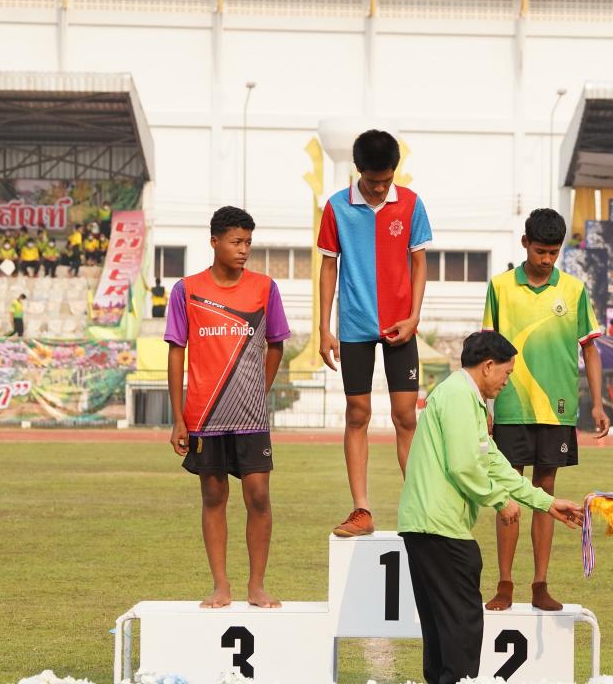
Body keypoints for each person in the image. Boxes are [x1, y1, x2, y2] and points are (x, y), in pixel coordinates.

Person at [397, 331, 583, 684]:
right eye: (506, 373)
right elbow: (464, 466)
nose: (506, 381)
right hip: (438, 526)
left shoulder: (466, 397)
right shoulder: (458, 396)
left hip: (428, 524)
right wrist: (500, 500)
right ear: (487, 366)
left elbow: (494, 462)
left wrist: (546, 502)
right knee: (461, 627)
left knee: (441, 627)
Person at [483, 208, 607, 613]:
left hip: (558, 410)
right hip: (511, 406)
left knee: (545, 493)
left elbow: (590, 349)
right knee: (507, 495)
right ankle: (504, 584)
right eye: (540, 251)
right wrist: (485, 403)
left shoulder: (574, 289)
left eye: (554, 252)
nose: (547, 259)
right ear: (525, 244)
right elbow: (485, 352)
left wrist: (598, 402)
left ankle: (540, 584)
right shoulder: (500, 287)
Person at [166, 206, 291, 609]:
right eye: (236, 242)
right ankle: (221, 586)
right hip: (204, 415)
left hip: (251, 418)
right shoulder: (186, 290)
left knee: (259, 496)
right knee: (213, 496)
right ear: (214, 242)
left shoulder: (265, 288)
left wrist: (259, 390)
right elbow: (176, 352)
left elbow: (276, 344)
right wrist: (178, 418)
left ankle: (257, 586)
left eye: (248, 243)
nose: (243, 250)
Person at [317, 129, 432, 538]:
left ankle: (421, 509)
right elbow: (328, 267)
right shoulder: (336, 207)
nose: (380, 188)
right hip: (355, 327)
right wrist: (324, 328)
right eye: (372, 180)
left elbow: (419, 263)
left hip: (401, 325)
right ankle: (361, 510)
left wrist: (414, 317)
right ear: (358, 170)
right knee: (357, 414)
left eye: (386, 180)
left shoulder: (412, 204)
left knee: (406, 416)